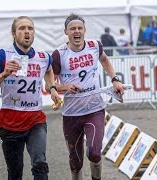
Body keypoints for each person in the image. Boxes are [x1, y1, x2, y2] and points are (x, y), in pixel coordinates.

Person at [0, 16, 62, 180]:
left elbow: (48, 69)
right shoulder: (3, 55)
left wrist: (52, 88)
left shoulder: (43, 56)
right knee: (15, 173)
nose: (27, 32)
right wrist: (4, 74)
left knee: (40, 165)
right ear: (13, 33)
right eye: (22, 28)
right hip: (10, 121)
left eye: (30, 29)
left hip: (35, 119)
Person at [51, 13, 125, 180]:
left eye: (80, 28)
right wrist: (64, 87)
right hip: (71, 115)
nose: (76, 32)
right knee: (76, 162)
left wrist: (115, 80)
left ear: (85, 30)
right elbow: (51, 85)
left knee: (94, 153)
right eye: (72, 29)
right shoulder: (58, 54)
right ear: (66, 32)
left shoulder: (94, 46)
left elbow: (105, 60)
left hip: (94, 110)